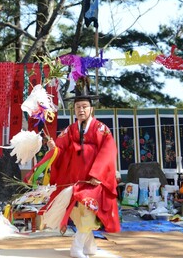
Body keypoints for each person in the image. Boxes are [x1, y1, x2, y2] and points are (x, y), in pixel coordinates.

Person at [44, 77, 120, 258]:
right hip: (75, 180)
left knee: (88, 212)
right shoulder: (70, 130)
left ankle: (76, 247)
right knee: (79, 214)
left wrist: (98, 173)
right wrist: (53, 147)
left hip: (93, 181)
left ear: (91, 108)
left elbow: (108, 151)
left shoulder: (102, 129)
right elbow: (60, 148)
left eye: (84, 106)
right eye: (78, 107)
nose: (81, 110)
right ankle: (90, 246)